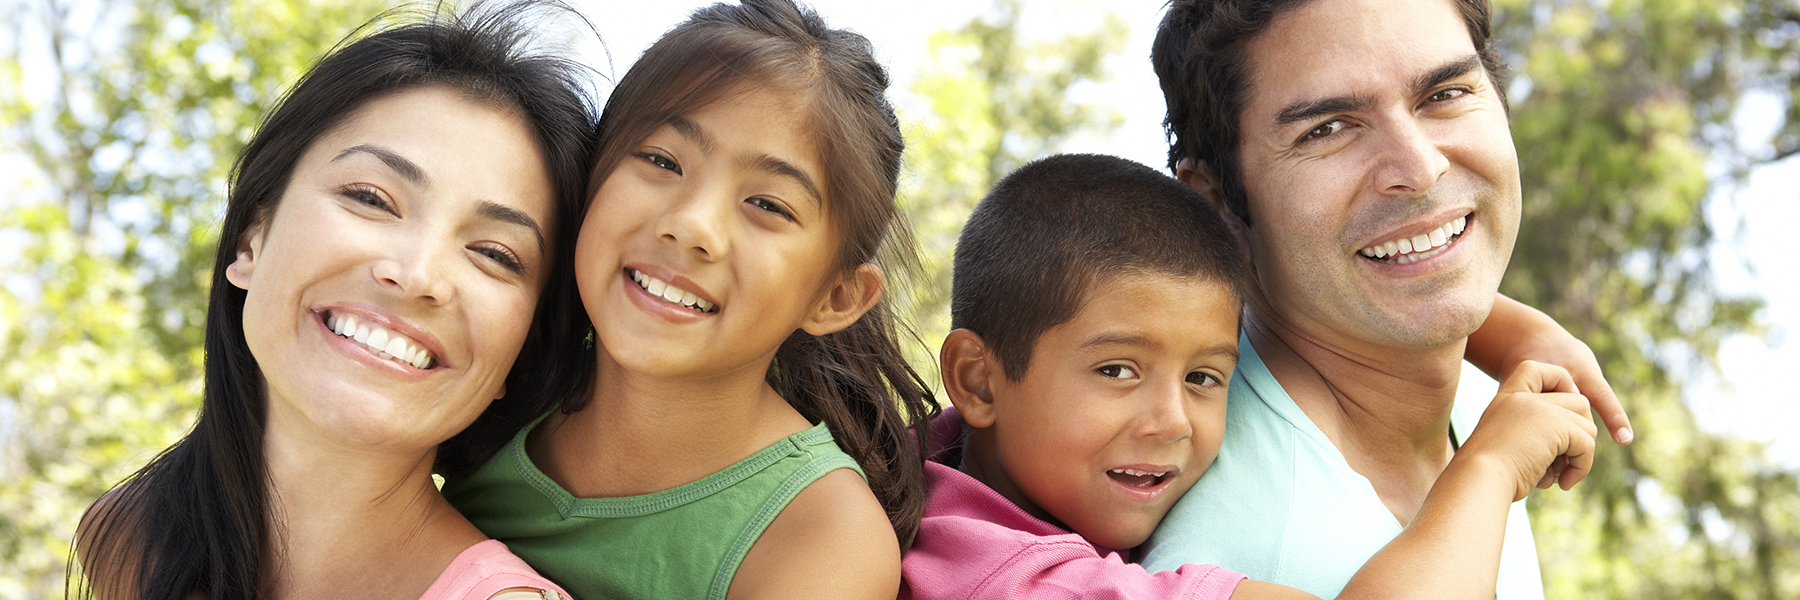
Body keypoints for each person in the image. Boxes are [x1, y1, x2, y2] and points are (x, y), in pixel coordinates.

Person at [72, 4, 597, 598]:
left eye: (496, 254)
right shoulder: (131, 535)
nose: (418, 274)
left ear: (523, 351)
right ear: (251, 239)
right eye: (371, 198)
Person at [900, 153, 1597, 599]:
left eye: (1206, 378)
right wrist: (1491, 463)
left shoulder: (934, 466)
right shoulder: (1020, 584)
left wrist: (1507, 331)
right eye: (1117, 370)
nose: (1171, 420)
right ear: (979, 381)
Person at [439, 1, 935, 597]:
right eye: (660, 160)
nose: (692, 225)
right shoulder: (496, 380)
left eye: (768, 206)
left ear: (835, 296)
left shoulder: (820, 536)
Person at [1139, 0, 1631, 597]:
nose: (1419, 168)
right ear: (1218, 206)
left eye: (1445, 94)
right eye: (1326, 129)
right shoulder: (1229, 551)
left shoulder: (1493, 413)